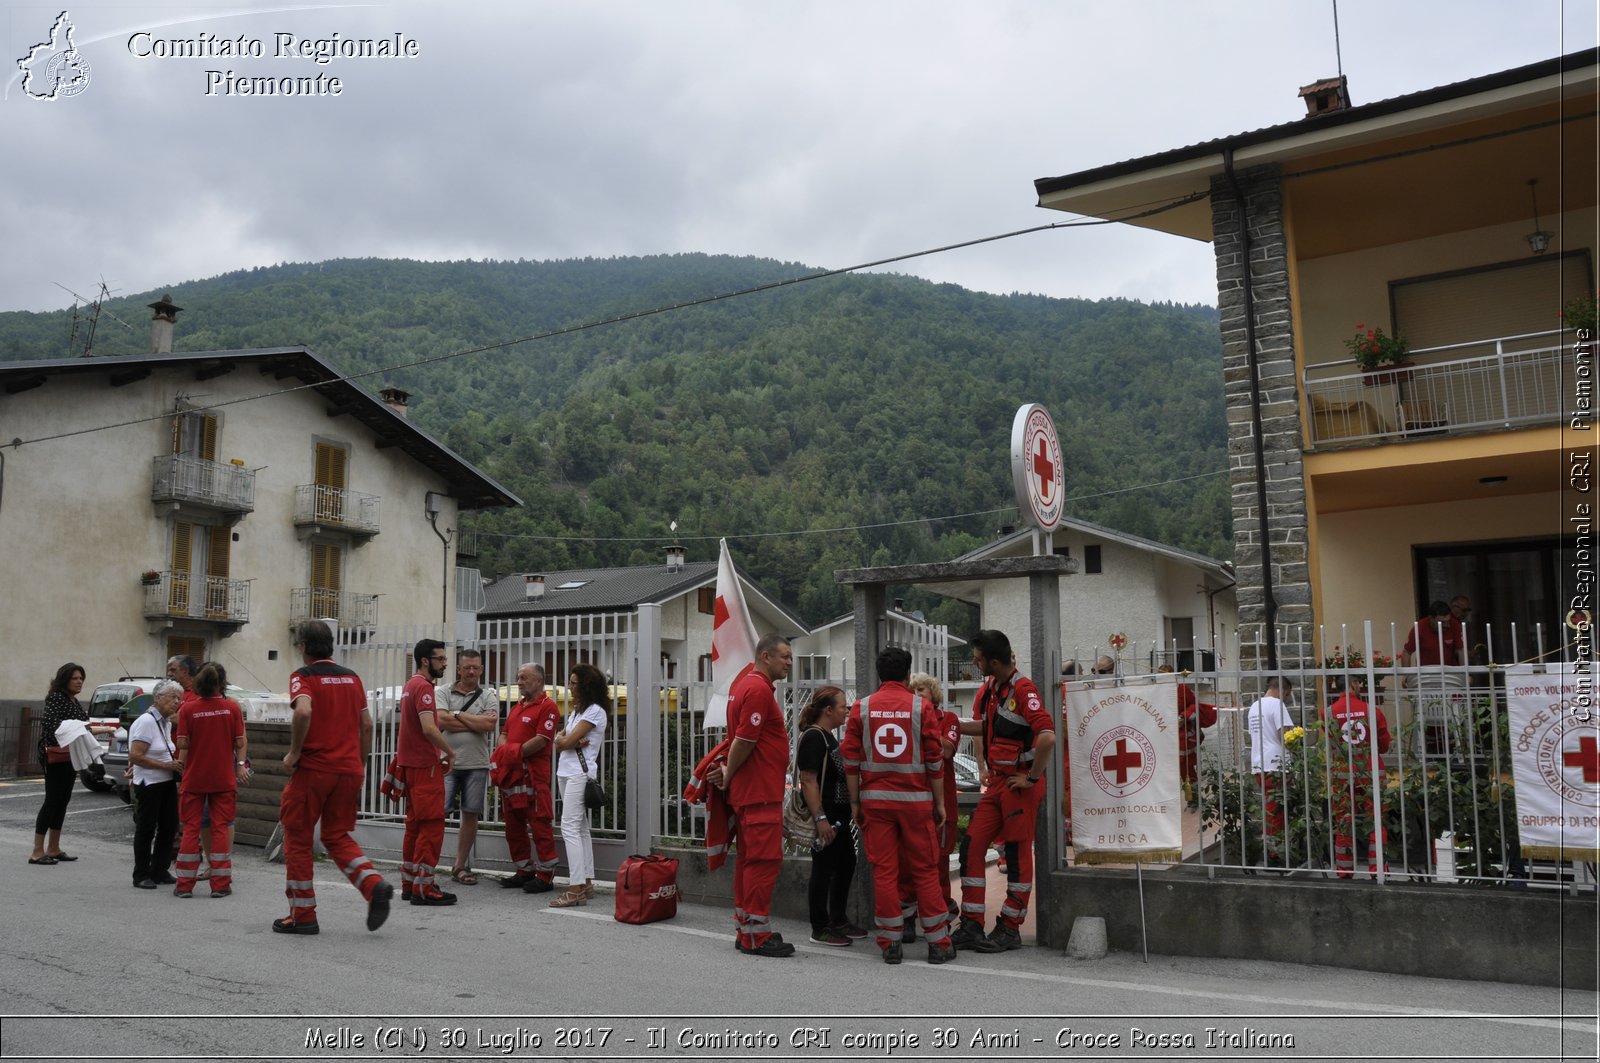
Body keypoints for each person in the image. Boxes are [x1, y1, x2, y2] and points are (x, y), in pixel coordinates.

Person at [274, 619, 395, 935]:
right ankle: (372, 884)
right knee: (336, 835)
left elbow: (302, 712)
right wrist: (360, 764)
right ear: (331, 645)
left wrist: (294, 753)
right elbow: (367, 725)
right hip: (349, 769)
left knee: (298, 838)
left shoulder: (304, 676)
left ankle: (302, 916)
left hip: (314, 770)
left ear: (303, 647)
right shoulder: (352, 678)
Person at [842, 648, 955, 965]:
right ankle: (939, 943)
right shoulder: (921, 707)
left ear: (880, 675)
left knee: (885, 872)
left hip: (875, 804)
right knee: (925, 871)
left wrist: (854, 802)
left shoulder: (861, 708)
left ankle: (890, 944)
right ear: (907, 676)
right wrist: (940, 803)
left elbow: (850, 761)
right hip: (916, 804)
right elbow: (935, 760)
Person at [954, 629, 1056, 954]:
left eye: (978, 658)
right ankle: (971, 925)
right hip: (999, 784)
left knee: (1015, 852)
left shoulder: (1024, 690)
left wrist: (1032, 777)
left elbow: (1047, 737)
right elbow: (985, 728)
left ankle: (1010, 928)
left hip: (1018, 785)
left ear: (993, 661)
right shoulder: (993, 689)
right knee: (972, 845)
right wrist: (945, 722)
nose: (974, 662)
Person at [709, 634, 795, 957]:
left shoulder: (743, 684)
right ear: (765, 656)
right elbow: (744, 740)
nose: (789, 662)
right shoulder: (758, 689)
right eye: (784, 656)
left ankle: (746, 930)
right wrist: (729, 773)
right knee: (763, 861)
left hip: (751, 791)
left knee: (749, 861)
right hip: (759, 791)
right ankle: (758, 935)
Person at [174, 662, 246, 898]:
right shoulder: (231, 708)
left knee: (191, 829)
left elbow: (182, 744)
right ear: (221, 683)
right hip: (223, 778)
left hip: (195, 777)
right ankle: (221, 884)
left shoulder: (187, 710)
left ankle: (184, 885)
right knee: (220, 829)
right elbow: (239, 742)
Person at [793, 685, 857, 947]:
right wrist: (821, 820)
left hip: (839, 818)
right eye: (843, 706)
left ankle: (838, 919)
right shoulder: (813, 737)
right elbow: (808, 780)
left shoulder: (829, 737)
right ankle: (820, 927)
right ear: (828, 710)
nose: (847, 710)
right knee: (823, 869)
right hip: (827, 817)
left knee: (846, 865)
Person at [397, 639, 456, 906]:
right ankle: (425, 888)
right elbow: (429, 728)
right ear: (425, 661)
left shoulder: (410, 685)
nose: (445, 663)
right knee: (431, 826)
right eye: (440, 659)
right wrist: (449, 752)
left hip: (410, 765)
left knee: (414, 826)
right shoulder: (424, 688)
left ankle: (410, 884)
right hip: (425, 767)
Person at [549, 663, 610, 908]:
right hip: (566, 771)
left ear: (586, 685)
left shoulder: (595, 711)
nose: (570, 687)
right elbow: (560, 740)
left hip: (578, 774)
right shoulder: (577, 711)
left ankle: (575, 890)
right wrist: (568, 741)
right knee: (581, 828)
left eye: (574, 682)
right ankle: (585, 882)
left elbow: (566, 741)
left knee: (570, 828)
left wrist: (567, 741)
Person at [437, 648, 499, 886]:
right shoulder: (442, 691)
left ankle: (460, 865)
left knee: (470, 814)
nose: (472, 671)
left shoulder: (488, 695)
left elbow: (490, 723)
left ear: (481, 669)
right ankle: (427, 860)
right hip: (446, 762)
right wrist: (474, 721)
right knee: (437, 813)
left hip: (477, 764)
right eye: (467, 667)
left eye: (476, 667)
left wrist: (457, 715)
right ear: (459, 669)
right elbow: (441, 720)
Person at [498, 663, 560, 894]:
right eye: (518, 677)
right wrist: (506, 752)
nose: (519, 681)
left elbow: (542, 740)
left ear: (539, 681)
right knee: (513, 826)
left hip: (534, 777)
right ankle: (524, 870)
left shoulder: (548, 707)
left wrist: (510, 753)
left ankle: (545, 876)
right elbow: (503, 734)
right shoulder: (517, 707)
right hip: (512, 776)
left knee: (539, 824)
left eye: (524, 677)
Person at [905, 671, 960, 927]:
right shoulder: (906, 720)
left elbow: (947, 750)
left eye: (920, 691)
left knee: (939, 862)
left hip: (942, 803)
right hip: (913, 801)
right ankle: (911, 917)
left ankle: (943, 915)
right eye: (912, 691)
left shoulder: (948, 719)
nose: (915, 696)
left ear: (933, 694)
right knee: (908, 862)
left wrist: (925, 729)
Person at [1324, 676, 1392, 879]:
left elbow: (1331, 743)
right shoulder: (1372, 710)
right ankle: (1378, 870)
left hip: (1342, 775)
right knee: (1376, 822)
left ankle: (1344, 871)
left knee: (1344, 822)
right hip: (1371, 774)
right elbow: (1384, 744)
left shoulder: (1327, 713)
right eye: (1358, 683)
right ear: (1353, 684)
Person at [30, 662, 88, 865]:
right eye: (75, 678)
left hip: (70, 756)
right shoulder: (57, 698)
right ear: (65, 679)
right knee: (52, 801)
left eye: (81, 678)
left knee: (63, 801)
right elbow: (50, 724)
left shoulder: (73, 701)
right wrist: (79, 728)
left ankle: (54, 848)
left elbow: (83, 724)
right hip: (55, 756)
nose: (79, 681)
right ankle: (37, 851)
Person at [128, 679, 184, 888]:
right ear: (158, 698)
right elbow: (136, 755)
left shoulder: (165, 721)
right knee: (146, 828)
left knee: (169, 826)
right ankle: (141, 874)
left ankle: (160, 869)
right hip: (150, 782)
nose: (176, 702)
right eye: (172, 697)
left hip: (165, 781)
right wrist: (165, 765)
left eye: (179, 698)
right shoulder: (147, 721)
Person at [1245, 677, 1294, 859]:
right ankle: (1276, 854)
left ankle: (1271, 850)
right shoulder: (1277, 705)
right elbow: (1286, 736)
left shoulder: (1254, 707)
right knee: (1278, 811)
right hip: (1276, 764)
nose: (1286, 699)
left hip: (1260, 764)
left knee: (1269, 809)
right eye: (1287, 695)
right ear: (1284, 691)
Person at [1401, 600, 1465, 672]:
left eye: (1448, 621)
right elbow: (1407, 652)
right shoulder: (1420, 627)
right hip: (1426, 674)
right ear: (1431, 619)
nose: (1447, 625)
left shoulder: (1454, 625)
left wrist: (1466, 674)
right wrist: (1406, 675)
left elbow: (1461, 651)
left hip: (1450, 673)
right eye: (1442, 622)